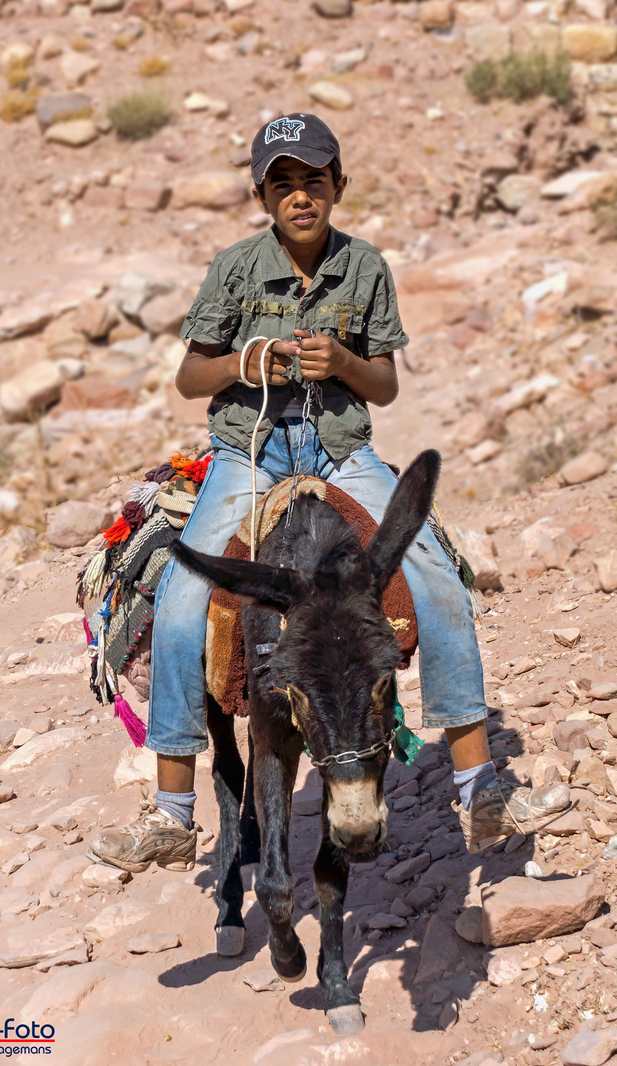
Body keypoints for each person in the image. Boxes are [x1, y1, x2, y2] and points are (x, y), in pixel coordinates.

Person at [90, 113, 569, 873]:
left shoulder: (367, 268)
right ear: (262, 195)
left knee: (436, 578)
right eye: (283, 184)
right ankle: (170, 815)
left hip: (341, 451)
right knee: (184, 596)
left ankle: (481, 791)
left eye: (314, 181)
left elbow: (383, 384)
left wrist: (342, 358)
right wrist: (249, 360)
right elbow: (191, 376)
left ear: (337, 186)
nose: (300, 196)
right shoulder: (235, 269)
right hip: (248, 454)